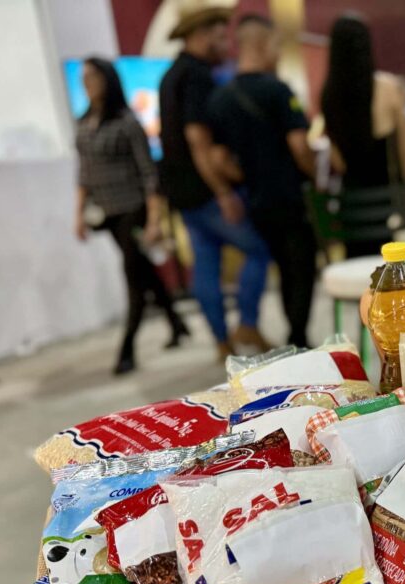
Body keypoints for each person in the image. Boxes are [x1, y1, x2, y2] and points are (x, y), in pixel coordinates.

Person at [159, 6, 272, 360]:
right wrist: (223, 190)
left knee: (205, 264)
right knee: (257, 249)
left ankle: (223, 343)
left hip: (182, 191)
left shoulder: (171, 75)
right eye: (222, 36)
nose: (227, 44)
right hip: (207, 191)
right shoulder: (196, 76)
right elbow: (198, 140)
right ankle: (248, 324)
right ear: (203, 34)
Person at [207, 15, 317, 348]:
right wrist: (315, 175)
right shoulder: (278, 90)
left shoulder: (221, 99)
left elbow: (218, 159)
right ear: (262, 44)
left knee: (283, 269)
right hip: (289, 197)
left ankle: (295, 334)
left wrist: (248, 175)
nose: (278, 54)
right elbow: (300, 146)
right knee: (301, 269)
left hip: (256, 201)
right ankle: (299, 335)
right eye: (275, 45)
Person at [74, 57, 189, 375]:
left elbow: (148, 173)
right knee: (144, 271)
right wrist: (78, 213)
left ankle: (127, 348)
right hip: (106, 213)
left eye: (93, 77)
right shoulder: (83, 123)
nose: (87, 83)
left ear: (108, 80)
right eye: (84, 77)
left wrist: (153, 219)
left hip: (133, 209)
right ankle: (177, 323)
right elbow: (83, 173)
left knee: (133, 277)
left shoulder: (127, 122)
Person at [320, 14, 405, 256]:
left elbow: (338, 162)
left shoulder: (328, 96)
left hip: (352, 210)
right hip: (388, 207)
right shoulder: (388, 88)